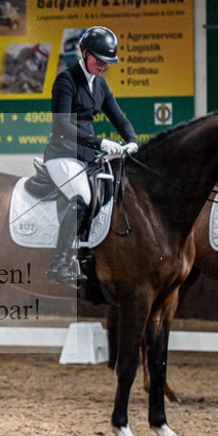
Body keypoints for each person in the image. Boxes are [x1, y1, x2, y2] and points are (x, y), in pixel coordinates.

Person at [43, 26, 139, 285]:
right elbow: (62, 124)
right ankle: (58, 264)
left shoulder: (101, 84)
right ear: (84, 53)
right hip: (61, 154)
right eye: (99, 60)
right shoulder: (65, 80)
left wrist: (132, 141)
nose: (103, 66)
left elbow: (119, 118)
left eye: (107, 62)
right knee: (83, 198)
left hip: (86, 157)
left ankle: (88, 257)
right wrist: (100, 142)